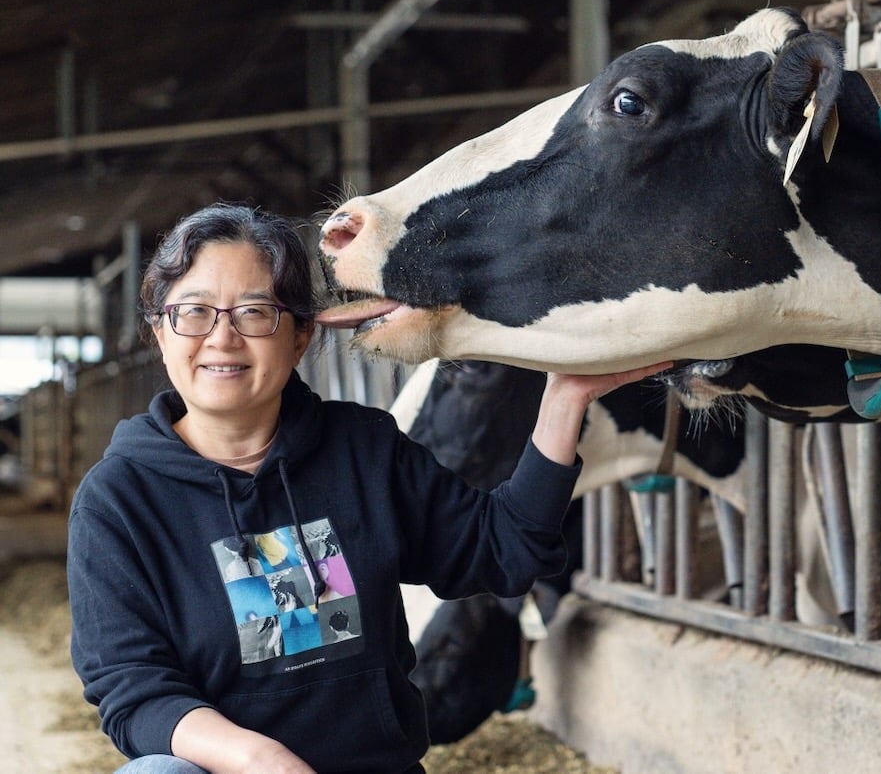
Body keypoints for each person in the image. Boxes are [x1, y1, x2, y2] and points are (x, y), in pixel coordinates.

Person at [67, 202, 669, 774]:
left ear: (300, 336)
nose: (222, 338)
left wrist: (564, 398)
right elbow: (134, 690)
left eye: (255, 312)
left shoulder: (363, 452)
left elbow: (503, 550)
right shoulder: (118, 501)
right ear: (160, 332)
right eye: (193, 311)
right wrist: (261, 760)